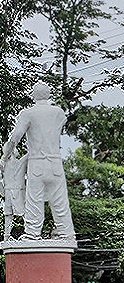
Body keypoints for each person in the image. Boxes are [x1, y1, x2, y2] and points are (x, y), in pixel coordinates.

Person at [2, 81, 75, 240]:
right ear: (48, 95)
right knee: (59, 200)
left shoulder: (28, 113)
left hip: (37, 162)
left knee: (34, 199)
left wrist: (6, 153)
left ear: (33, 95)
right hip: (55, 162)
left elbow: (15, 138)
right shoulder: (58, 112)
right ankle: (66, 232)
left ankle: (32, 233)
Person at [0, 150, 28, 240]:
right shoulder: (5, 164)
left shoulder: (7, 163)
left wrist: (2, 191)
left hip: (13, 191)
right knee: (12, 213)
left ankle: (28, 232)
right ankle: (7, 235)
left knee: (17, 213)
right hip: (12, 191)